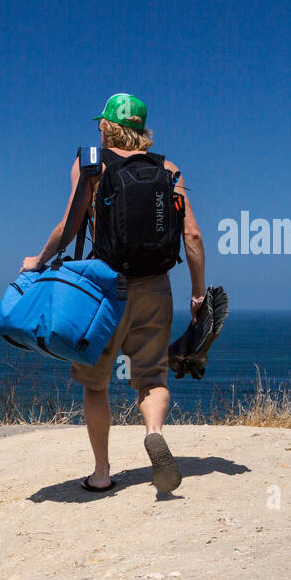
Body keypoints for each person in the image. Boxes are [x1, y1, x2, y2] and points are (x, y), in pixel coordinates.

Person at [20, 93, 206, 494]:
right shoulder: (168, 169)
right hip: (157, 286)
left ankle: (102, 472)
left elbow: (70, 224)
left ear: (106, 126)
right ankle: (153, 433)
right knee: (152, 376)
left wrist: (39, 259)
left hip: (105, 289)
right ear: (142, 129)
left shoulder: (91, 163)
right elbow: (192, 235)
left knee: (96, 382)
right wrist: (198, 292)